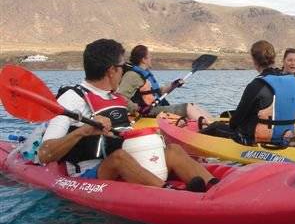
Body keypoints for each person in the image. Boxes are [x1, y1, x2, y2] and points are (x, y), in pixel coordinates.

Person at [37, 39, 215, 191]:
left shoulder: (115, 97)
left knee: (173, 150)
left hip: (132, 160)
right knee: (119, 158)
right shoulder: (71, 99)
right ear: (111, 71)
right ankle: (170, 194)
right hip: (94, 172)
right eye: (122, 67)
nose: (124, 71)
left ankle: (214, 187)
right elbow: (44, 154)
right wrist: (83, 131)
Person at [201, 40, 295, 145]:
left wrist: (225, 124)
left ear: (254, 61)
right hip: (286, 136)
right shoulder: (293, 81)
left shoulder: (257, 84)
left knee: (215, 127)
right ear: (274, 58)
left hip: (258, 139)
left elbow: (235, 122)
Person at [118, 44, 213, 122]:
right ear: (144, 59)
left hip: (157, 107)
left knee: (193, 106)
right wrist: (137, 108)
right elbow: (121, 96)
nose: (152, 59)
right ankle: (209, 130)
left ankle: (213, 123)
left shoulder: (145, 74)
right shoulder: (132, 75)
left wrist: (173, 85)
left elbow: (158, 92)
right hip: (148, 112)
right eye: (150, 57)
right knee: (187, 107)